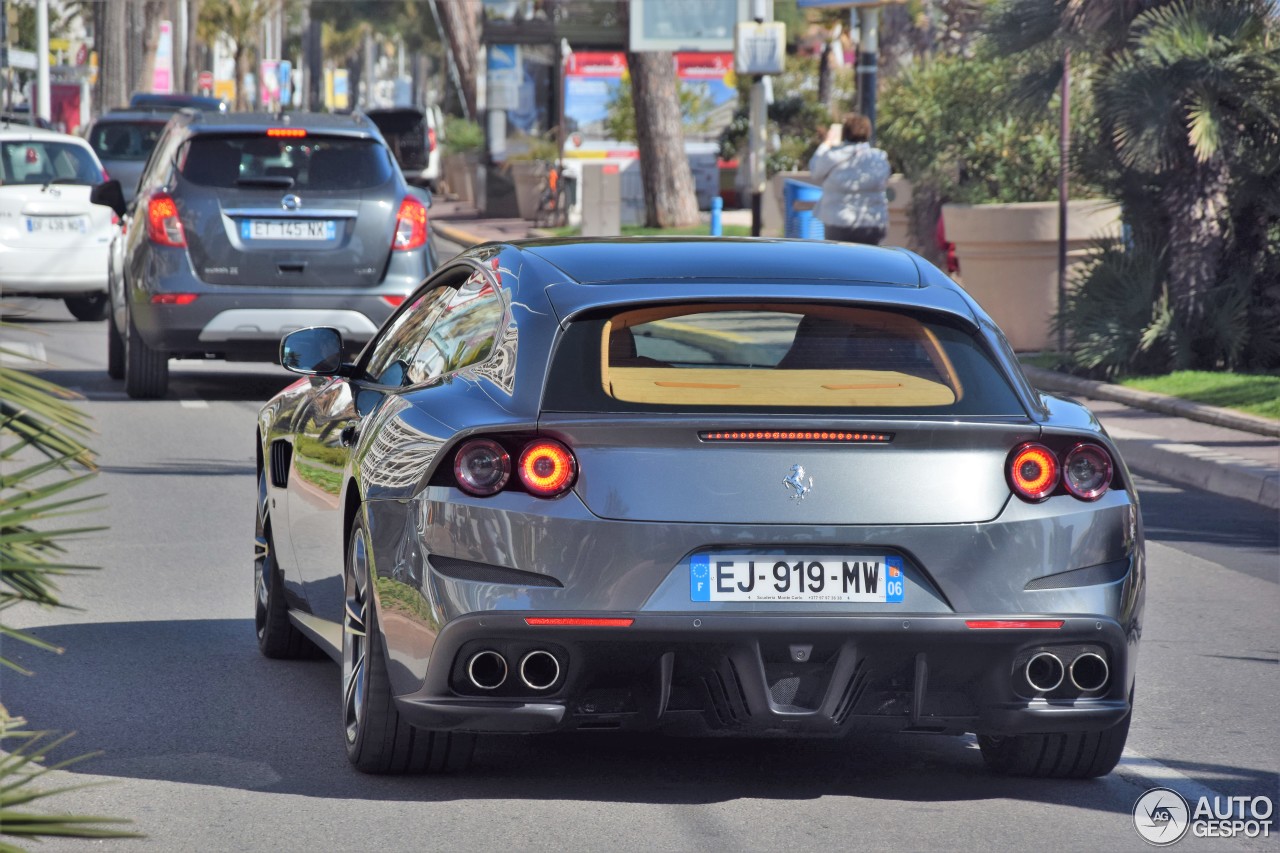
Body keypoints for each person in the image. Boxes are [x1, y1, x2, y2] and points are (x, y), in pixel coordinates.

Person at [808, 113, 890, 245]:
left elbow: (815, 170)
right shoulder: (879, 158)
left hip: (839, 224)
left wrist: (826, 143)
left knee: (839, 263)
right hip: (874, 224)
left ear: (844, 133)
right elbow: (885, 180)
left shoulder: (833, 156)